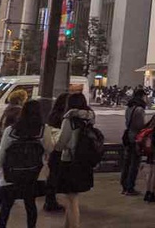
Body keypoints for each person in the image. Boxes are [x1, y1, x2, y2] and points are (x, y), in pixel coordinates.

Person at [0, 100, 54, 228]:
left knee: (6, 206)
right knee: (30, 205)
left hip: (11, 175)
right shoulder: (43, 130)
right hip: (33, 174)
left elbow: (1, 155)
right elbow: (49, 149)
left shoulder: (11, 130)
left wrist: (2, 174)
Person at [55, 92, 96, 228]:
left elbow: (61, 143)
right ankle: (68, 225)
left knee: (72, 199)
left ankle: (74, 225)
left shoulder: (69, 120)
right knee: (72, 197)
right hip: (84, 160)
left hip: (69, 160)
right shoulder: (90, 117)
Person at [44, 93, 68, 213]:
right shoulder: (64, 117)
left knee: (52, 175)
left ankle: (50, 199)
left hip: (52, 148)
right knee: (55, 175)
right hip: (60, 149)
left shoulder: (52, 115)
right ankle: (51, 201)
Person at [120, 89, 147, 196]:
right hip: (136, 138)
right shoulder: (139, 109)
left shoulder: (129, 107)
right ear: (141, 96)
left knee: (127, 162)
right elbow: (140, 126)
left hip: (128, 136)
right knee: (134, 163)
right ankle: (130, 187)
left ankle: (124, 185)